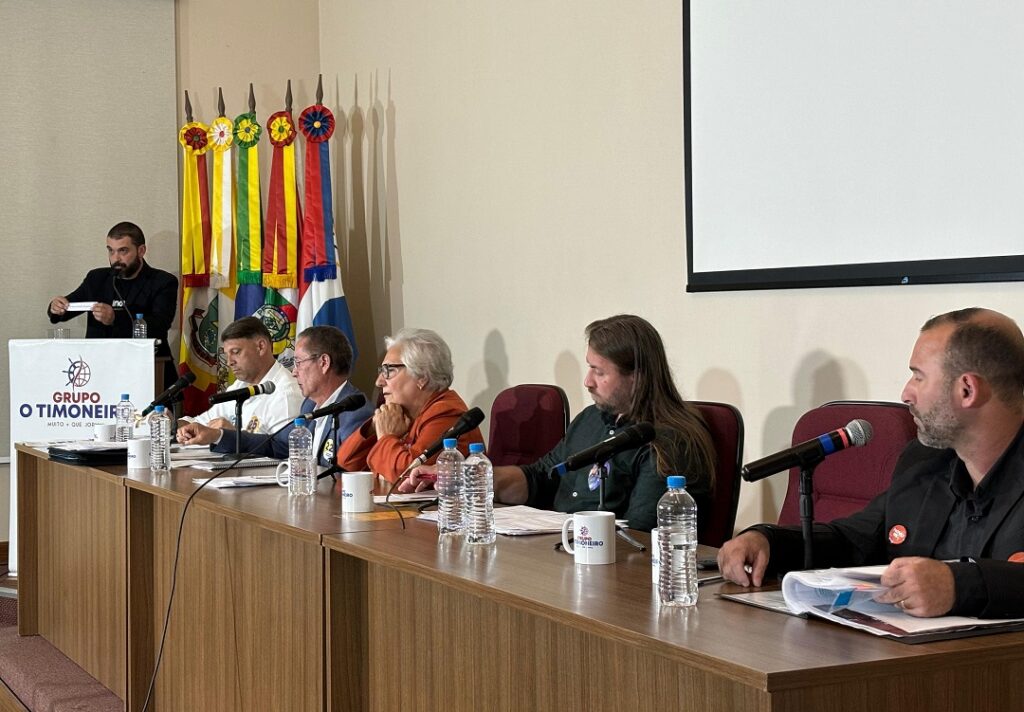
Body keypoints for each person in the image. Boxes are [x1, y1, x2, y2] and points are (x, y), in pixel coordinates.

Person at [718, 307, 1024, 619]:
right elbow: (854, 540)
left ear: (967, 390)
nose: (906, 393)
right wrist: (768, 540)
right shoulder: (925, 461)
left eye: (918, 376)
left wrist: (959, 586)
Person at [403, 314, 717, 532]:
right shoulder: (591, 420)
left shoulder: (669, 442)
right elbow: (542, 477)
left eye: (600, 372)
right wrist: (464, 477)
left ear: (637, 377)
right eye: (589, 368)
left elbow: (642, 535)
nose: (587, 381)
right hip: (561, 554)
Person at [180, 326, 374, 463]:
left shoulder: (355, 413)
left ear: (324, 363)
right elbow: (276, 445)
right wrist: (218, 436)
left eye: (299, 362)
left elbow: (346, 476)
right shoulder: (309, 406)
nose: (295, 371)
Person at [336, 328, 483, 483]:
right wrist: (375, 426)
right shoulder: (402, 414)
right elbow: (347, 463)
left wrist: (386, 436)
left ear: (422, 377)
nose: (379, 381)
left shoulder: (446, 414)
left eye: (389, 370)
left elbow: (407, 476)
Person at [47, 221, 178, 362]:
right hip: (98, 364)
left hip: (146, 364)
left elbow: (159, 326)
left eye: (123, 251)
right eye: (111, 250)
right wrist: (56, 307)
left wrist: (115, 318)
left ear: (141, 251)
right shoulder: (97, 278)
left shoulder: (163, 281)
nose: (115, 258)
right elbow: (67, 308)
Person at [176, 317, 304, 441]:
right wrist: (177, 425)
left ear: (261, 347)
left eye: (236, 352)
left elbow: (282, 451)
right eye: (227, 354)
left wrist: (232, 436)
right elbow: (202, 423)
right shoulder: (240, 385)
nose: (229, 362)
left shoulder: (286, 393)